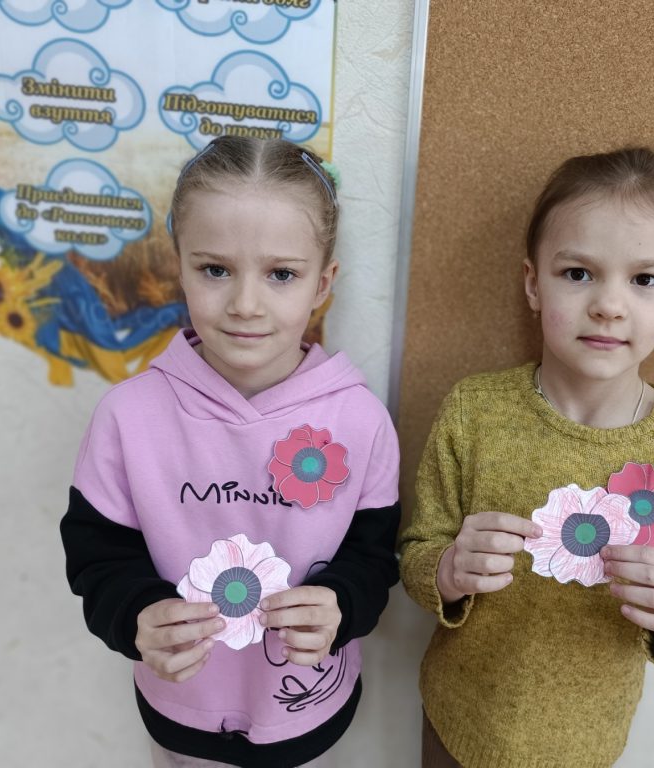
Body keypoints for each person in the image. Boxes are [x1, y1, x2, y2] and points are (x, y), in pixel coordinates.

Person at [399, 147, 654, 768]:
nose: (609, 305)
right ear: (533, 283)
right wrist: (446, 571)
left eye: (644, 280)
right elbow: (417, 549)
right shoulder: (474, 412)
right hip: (455, 721)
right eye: (578, 273)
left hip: (585, 746)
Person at [60, 137, 401, 768]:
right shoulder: (126, 416)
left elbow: (374, 557)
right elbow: (97, 556)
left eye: (281, 274)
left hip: (308, 715)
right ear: (179, 267)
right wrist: (136, 615)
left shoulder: (361, 421)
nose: (245, 304)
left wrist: (342, 603)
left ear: (323, 283)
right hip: (179, 715)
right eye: (215, 270)